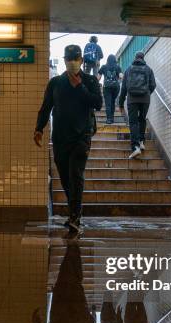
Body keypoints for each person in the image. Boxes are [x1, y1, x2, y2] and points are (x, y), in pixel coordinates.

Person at [34, 45, 102, 235]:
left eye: (75, 59)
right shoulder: (55, 83)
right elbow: (46, 107)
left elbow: (98, 103)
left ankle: (74, 217)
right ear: (64, 61)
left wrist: (79, 87)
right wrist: (39, 128)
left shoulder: (89, 80)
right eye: (69, 59)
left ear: (81, 60)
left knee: (75, 175)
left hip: (82, 137)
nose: (72, 62)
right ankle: (75, 210)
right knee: (65, 177)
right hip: (60, 138)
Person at [119, 51, 156, 159]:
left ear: (135, 58)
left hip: (132, 99)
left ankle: (135, 147)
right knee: (142, 119)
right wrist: (147, 93)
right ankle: (141, 141)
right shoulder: (148, 69)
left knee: (133, 122)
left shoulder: (128, 69)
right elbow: (153, 85)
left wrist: (121, 102)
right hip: (145, 99)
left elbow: (124, 88)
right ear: (143, 58)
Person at [98, 55, 123, 124]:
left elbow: (98, 78)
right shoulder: (118, 67)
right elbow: (121, 76)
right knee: (112, 102)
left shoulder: (104, 67)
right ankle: (112, 118)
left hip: (107, 87)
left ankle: (109, 119)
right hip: (115, 87)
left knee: (108, 103)